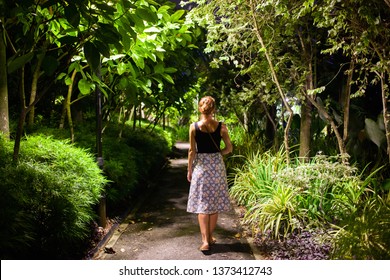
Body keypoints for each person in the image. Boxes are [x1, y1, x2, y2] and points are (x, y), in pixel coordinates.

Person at [186, 96, 233, 252]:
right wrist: (218, 153)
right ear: (213, 110)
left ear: (200, 108)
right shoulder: (222, 127)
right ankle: (210, 237)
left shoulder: (193, 127)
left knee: (202, 204)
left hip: (201, 168)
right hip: (217, 168)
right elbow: (229, 149)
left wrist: (189, 169)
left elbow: (192, 151)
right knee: (213, 205)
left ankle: (205, 241)